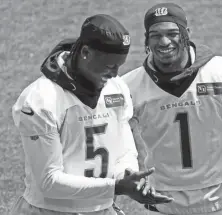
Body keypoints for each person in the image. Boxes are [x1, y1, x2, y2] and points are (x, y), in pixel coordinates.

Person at [121, 3, 222, 215]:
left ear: (187, 33)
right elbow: (119, 144)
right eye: (155, 35)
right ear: (147, 39)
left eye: (172, 33)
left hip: (219, 201)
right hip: (161, 202)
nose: (164, 41)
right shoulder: (129, 86)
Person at [9, 14, 173, 215]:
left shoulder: (116, 88)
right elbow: (48, 181)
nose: (114, 74)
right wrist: (116, 187)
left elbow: (124, 151)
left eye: (119, 66)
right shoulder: (41, 99)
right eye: (109, 65)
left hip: (102, 209)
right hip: (48, 210)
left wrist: (129, 176)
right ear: (85, 52)